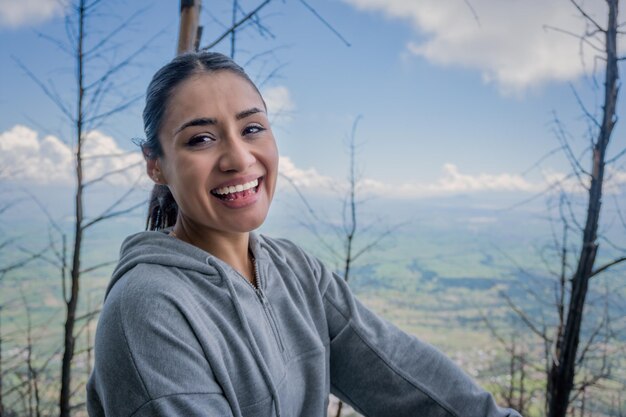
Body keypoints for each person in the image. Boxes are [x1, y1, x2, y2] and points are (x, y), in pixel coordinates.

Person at [86, 51, 521, 417]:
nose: (238, 157)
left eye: (252, 128)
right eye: (201, 139)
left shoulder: (295, 271)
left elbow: (407, 378)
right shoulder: (146, 310)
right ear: (155, 164)